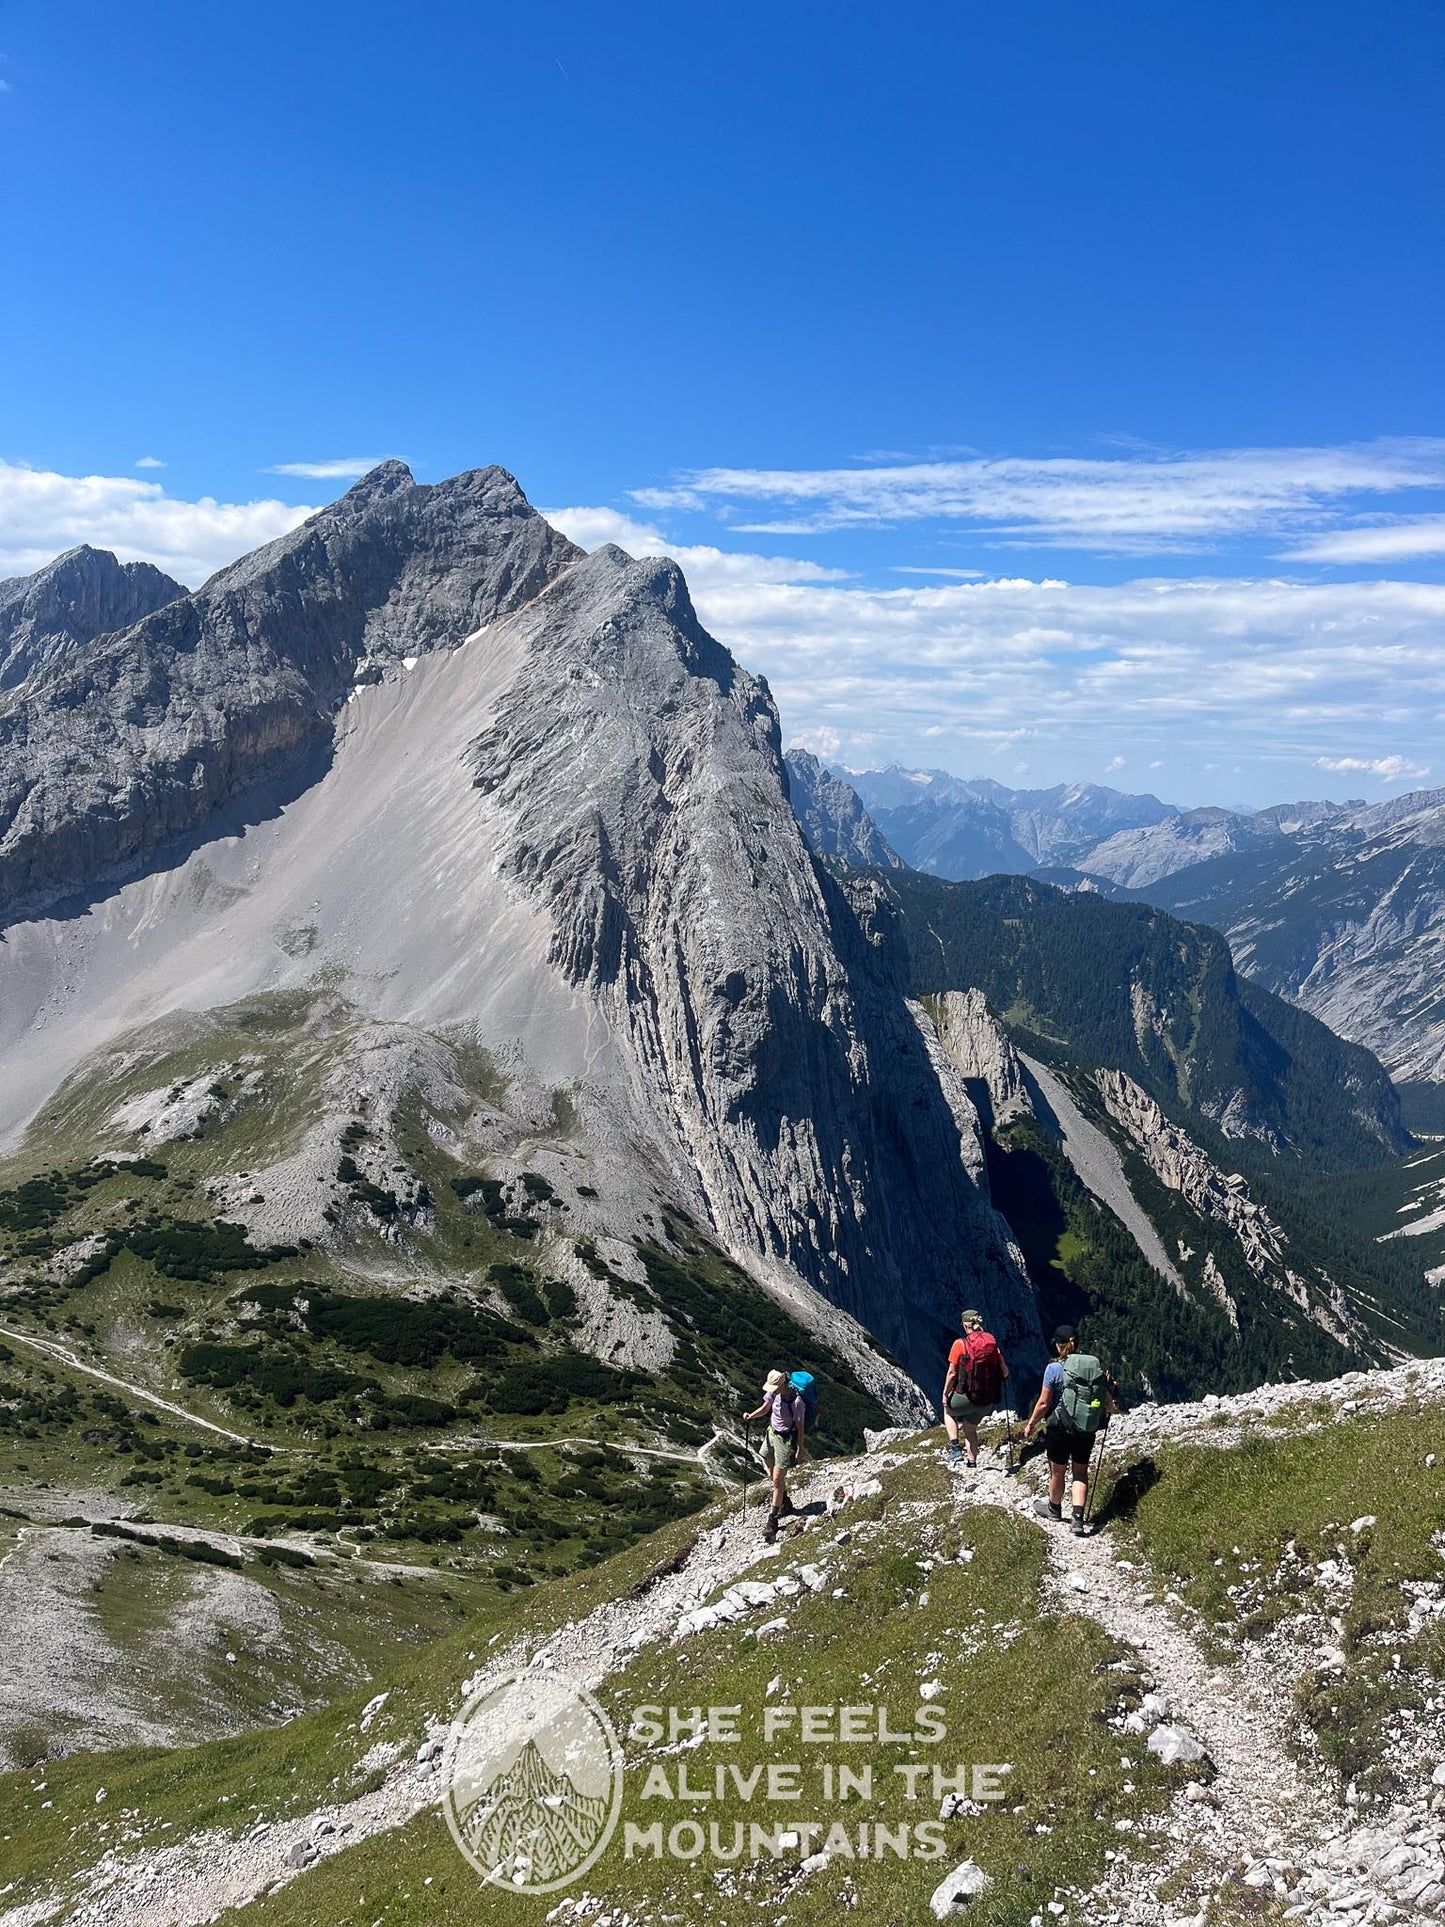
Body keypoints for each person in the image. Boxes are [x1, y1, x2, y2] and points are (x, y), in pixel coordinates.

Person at [1021, 1323, 1117, 1535]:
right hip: (1086, 1428)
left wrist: (1030, 1424)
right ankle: (1078, 1518)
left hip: (1060, 1428)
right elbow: (1109, 1404)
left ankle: (1054, 1509)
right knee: (1080, 1472)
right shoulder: (1091, 1368)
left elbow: (1044, 1403)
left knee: (1058, 1471)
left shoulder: (1054, 1368)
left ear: (1058, 1345)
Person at [941, 1309, 1009, 1468]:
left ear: (965, 1325)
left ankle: (955, 1448)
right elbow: (1005, 1372)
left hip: (965, 1396)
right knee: (970, 1428)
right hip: (986, 1401)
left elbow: (951, 1373)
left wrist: (945, 1395)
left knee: (948, 1409)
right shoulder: (992, 1345)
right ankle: (972, 1464)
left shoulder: (960, 1344)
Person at [744, 1369, 805, 1542]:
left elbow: (800, 1428)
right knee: (767, 1463)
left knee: (777, 1480)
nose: (770, 1390)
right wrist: (751, 1416)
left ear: (781, 1385)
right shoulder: (773, 1394)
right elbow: (765, 1409)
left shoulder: (797, 1401)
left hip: (785, 1440)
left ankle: (773, 1520)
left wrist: (800, 1449)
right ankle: (784, 1501)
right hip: (771, 1434)